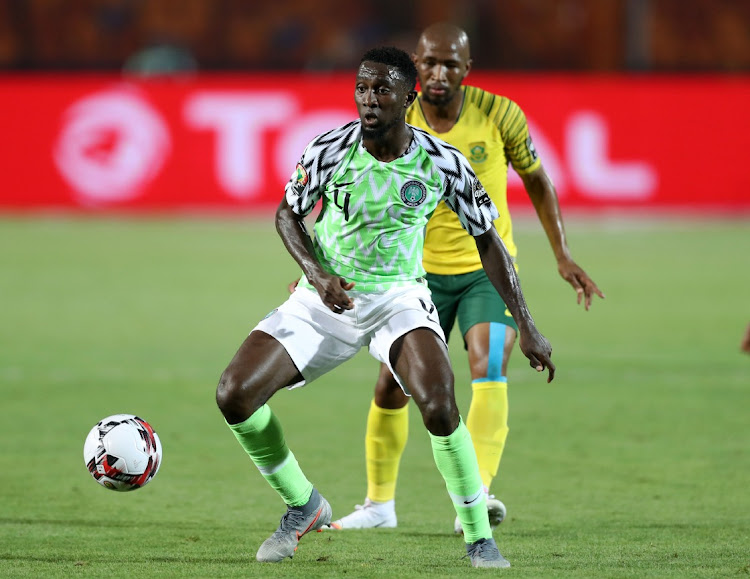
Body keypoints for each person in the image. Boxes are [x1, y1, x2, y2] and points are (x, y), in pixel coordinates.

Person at [215, 46, 554, 569]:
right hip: (324, 298)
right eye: (362, 89)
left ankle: (479, 536)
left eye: (382, 90)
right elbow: (287, 214)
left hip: (398, 298)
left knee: (439, 404)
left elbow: (489, 241)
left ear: (407, 97)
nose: (369, 100)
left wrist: (527, 326)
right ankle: (303, 505)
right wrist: (317, 274)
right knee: (234, 395)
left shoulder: (442, 162)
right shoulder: (328, 149)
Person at [328, 23, 603, 535]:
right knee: (392, 386)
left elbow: (538, 181)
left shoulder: (499, 115)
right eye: (429, 62)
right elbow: (349, 194)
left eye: (450, 64)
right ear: (415, 63)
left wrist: (562, 255)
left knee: (488, 361)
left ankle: (476, 496)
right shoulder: (395, 116)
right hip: (410, 275)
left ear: (467, 69)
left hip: (485, 271)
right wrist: (320, 271)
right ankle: (378, 505)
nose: (438, 74)